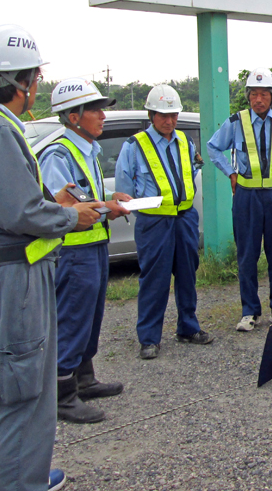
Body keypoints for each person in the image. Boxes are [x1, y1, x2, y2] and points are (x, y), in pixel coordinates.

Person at [0, 24, 104, 490]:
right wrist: (72, 217)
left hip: (9, 275)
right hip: (9, 279)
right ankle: (17, 483)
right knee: (19, 390)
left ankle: (24, 473)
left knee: (23, 386)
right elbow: (18, 211)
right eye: (35, 77)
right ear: (20, 82)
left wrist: (58, 205)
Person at [39, 78, 131, 423]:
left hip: (93, 245)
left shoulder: (88, 149)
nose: (102, 116)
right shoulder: (58, 154)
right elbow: (64, 208)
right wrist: (107, 205)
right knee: (72, 318)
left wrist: (111, 203)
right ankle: (63, 395)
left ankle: (85, 379)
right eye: (95, 110)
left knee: (91, 318)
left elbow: (87, 201)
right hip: (72, 252)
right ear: (73, 117)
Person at [115, 84, 213, 359]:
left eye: (173, 115)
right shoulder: (134, 146)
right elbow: (125, 190)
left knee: (187, 275)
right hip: (154, 223)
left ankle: (188, 328)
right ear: (151, 115)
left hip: (184, 219)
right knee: (154, 280)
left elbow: (191, 172)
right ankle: (149, 338)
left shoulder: (185, 141)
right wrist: (147, 214)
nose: (169, 121)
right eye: (162, 115)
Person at [207, 67, 272, 331]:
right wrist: (230, 172)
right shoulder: (236, 121)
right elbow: (213, 147)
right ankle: (249, 312)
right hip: (246, 197)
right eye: (253, 94)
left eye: (264, 94)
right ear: (248, 96)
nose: (258, 99)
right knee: (247, 254)